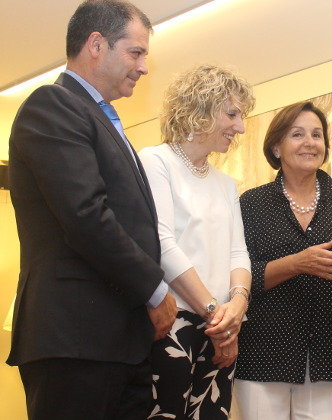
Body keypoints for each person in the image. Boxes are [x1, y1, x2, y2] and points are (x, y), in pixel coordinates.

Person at [6, 1, 177, 418]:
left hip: (117, 342)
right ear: (96, 45)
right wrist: (155, 289)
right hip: (76, 340)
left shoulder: (104, 120)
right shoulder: (53, 105)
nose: (143, 67)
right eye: (135, 53)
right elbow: (86, 216)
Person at [235, 101, 332, 420]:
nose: (309, 142)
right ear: (276, 147)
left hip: (328, 353)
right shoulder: (250, 203)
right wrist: (296, 264)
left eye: (317, 135)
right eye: (297, 134)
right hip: (262, 353)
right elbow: (237, 277)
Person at [138, 64, 255, 419]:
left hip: (221, 331)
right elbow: (161, 243)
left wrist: (236, 309)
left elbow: (239, 253)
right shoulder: (155, 161)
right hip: (175, 324)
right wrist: (214, 313)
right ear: (198, 110)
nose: (241, 126)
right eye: (232, 114)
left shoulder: (226, 184)